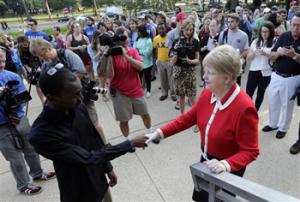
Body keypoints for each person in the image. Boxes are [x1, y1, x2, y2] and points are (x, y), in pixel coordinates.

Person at [145, 45, 259, 202]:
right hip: (206, 161)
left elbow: (250, 151)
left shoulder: (244, 108)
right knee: (201, 198)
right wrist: (160, 132)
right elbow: (188, 118)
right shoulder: (208, 92)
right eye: (204, 71)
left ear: (227, 77)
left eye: (210, 73)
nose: (204, 77)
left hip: (227, 169)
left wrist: (225, 164)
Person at [29, 66, 148, 202]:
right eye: (74, 95)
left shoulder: (78, 106)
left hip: (99, 181)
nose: (80, 98)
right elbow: (86, 158)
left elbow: (95, 139)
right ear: (52, 97)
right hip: (78, 191)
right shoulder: (41, 135)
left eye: (80, 92)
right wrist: (129, 144)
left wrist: (107, 167)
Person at [29, 38, 108, 144]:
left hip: (83, 95)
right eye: (40, 56)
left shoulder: (67, 54)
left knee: (94, 123)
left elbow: (80, 72)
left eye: (43, 55)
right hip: (66, 102)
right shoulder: (46, 65)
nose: (42, 58)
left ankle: (104, 144)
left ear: (48, 48)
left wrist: (63, 86)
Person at [0, 49, 55, 195]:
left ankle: (37, 172)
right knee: (14, 156)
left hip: (19, 118)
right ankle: (24, 184)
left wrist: (14, 102)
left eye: (3, 61)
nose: (1, 64)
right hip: (2, 126)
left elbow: (23, 96)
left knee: (31, 147)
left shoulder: (12, 76)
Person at [106, 27, 158, 145]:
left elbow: (140, 66)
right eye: (123, 37)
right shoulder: (112, 55)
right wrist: (108, 57)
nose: (126, 40)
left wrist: (126, 56)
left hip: (135, 89)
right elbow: (110, 75)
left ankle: (149, 133)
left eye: (127, 37)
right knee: (124, 120)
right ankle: (127, 142)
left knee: (145, 114)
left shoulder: (132, 51)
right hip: (119, 92)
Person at [262, 12, 300, 139]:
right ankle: (273, 124)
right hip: (276, 75)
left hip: (292, 78)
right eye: (293, 24)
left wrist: (294, 56)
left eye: (299, 25)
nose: (295, 28)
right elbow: (272, 56)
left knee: (287, 105)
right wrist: (278, 53)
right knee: (273, 102)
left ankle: (283, 128)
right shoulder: (284, 36)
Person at [170, 19, 200, 115]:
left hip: (190, 71)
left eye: (191, 30)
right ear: (182, 30)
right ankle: (182, 116)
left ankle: (196, 119)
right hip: (179, 71)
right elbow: (173, 61)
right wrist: (176, 50)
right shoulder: (176, 42)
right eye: (187, 30)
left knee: (191, 97)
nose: (189, 32)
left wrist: (190, 61)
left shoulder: (195, 42)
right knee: (181, 96)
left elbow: (198, 60)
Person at [246, 22, 275, 111]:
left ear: (270, 32)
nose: (264, 33)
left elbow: (275, 58)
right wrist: (254, 52)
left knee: (260, 94)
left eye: (266, 31)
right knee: (248, 93)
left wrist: (266, 54)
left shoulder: (274, 42)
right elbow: (248, 58)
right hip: (254, 70)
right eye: (262, 31)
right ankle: (246, 110)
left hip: (266, 73)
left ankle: (255, 111)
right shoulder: (255, 41)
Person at [219, 13, 249, 85]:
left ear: (237, 22)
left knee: (236, 85)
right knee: (224, 84)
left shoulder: (243, 35)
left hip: (236, 65)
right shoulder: (223, 33)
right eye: (228, 22)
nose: (229, 24)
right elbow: (219, 48)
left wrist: (238, 57)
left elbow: (246, 51)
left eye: (232, 21)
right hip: (225, 64)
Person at [17, 35, 45, 104]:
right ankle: (43, 101)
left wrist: (38, 67)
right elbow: (23, 62)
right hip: (30, 68)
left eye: (25, 41)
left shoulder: (32, 45)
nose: (24, 43)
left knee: (44, 83)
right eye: (22, 42)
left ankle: (48, 98)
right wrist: (29, 69)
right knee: (37, 85)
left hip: (39, 65)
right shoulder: (20, 49)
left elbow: (38, 57)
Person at [153, 23, 176, 101]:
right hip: (160, 61)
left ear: (166, 29)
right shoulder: (156, 38)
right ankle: (164, 93)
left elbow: (174, 48)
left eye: (162, 28)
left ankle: (173, 94)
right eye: (159, 29)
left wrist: (173, 58)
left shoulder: (169, 37)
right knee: (162, 79)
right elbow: (154, 49)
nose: (161, 30)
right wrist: (157, 59)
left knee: (171, 79)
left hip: (169, 61)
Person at [134, 25, 153, 98]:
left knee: (147, 77)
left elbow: (148, 52)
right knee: (139, 77)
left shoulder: (148, 40)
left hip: (147, 63)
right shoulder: (137, 39)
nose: (138, 33)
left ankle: (148, 90)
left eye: (139, 31)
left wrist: (139, 51)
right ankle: (140, 90)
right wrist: (138, 52)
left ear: (142, 32)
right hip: (139, 62)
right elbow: (134, 48)